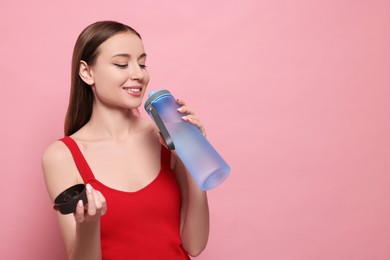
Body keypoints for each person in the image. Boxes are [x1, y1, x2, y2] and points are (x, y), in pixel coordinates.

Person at [42, 20, 209, 260]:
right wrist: (89, 225)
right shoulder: (61, 156)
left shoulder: (165, 138)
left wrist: (195, 154)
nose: (138, 74)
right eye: (122, 64)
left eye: (142, 63)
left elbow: (195, 245)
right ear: (87, 72)